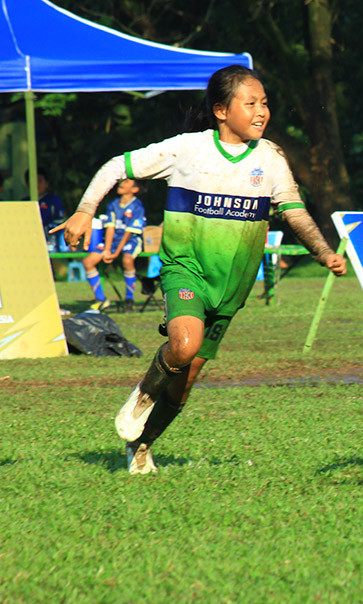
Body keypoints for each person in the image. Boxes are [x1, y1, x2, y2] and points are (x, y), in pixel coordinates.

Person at [55, 65, 347, 475]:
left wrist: (323, 251)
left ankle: (142, 444)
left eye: (264, 103)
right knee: (184, 345)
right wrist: (86, 210)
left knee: (186, 377)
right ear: (221, 111)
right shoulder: (187, 149)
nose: (261, 111)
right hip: (185, 269)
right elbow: (116, 167)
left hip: (231, 289)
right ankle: (142, 395)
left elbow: (294, 211)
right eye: (251, 103)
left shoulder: (271, 158)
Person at [82, 178, 147, 311]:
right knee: (88, 261)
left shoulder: (137, 206)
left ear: (135, 189)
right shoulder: (113, 204)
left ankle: (129, 299)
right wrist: (107, 250)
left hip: (131, 240)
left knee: (127, 260)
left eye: (126, 182)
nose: (121, 183)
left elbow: (129, 232)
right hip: (112, 241)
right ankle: (101, 299)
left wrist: (116, 253)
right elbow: (110, 228)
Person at [30, 168, 67, 252]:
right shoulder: (25, 202)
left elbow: (59, 222)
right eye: (33, 181)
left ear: (47, 183)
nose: (36, 184)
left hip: (51, 242)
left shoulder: (54, 200)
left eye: (39, 181)